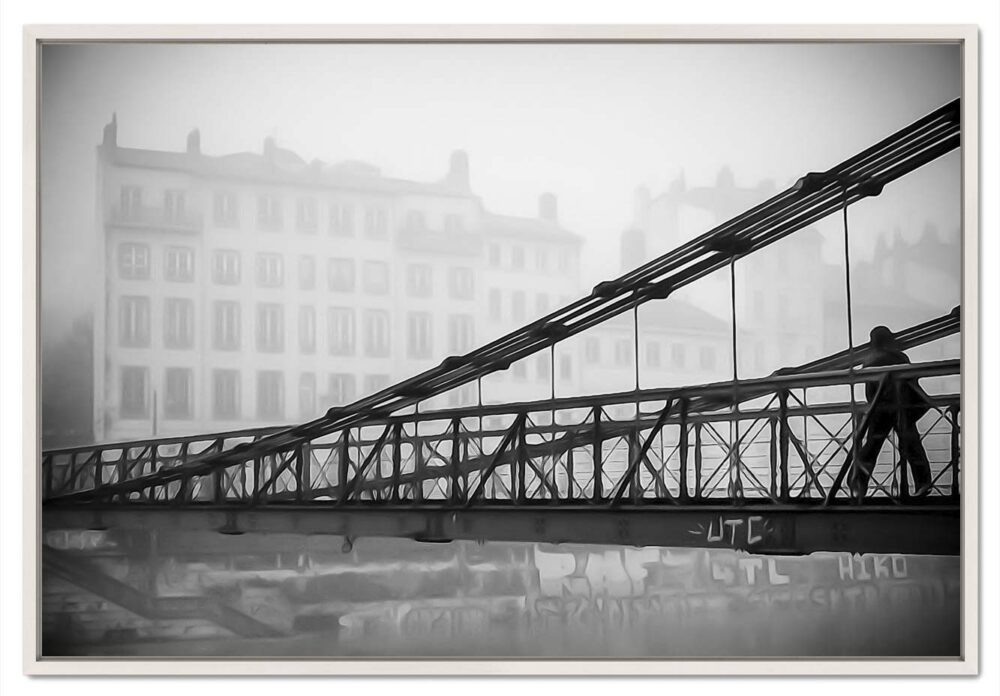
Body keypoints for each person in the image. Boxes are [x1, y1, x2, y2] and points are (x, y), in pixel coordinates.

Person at [850, 326, 934, 500]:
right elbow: (913, 383)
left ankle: (858, 484)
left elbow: (870, 392)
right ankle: (923, 483)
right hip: (902, 408)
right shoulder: (900, 357)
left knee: (871, 447)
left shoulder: (870, 360)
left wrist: (875, 406)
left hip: (881, 409)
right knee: (912, 446)